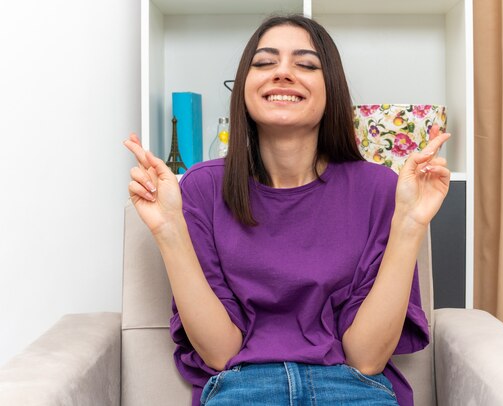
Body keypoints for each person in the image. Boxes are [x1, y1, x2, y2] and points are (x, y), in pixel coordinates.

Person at [124, 14, 450, 406]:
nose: (282, 73)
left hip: (351, 386)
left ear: (330, 88)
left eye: (306, 64)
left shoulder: (380, 189)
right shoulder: (202, 187)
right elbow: (220, 353)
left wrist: (411, 223)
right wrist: (168, 230)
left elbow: (366, 358)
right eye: (264, 63)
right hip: (241, 388)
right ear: (244, 86)